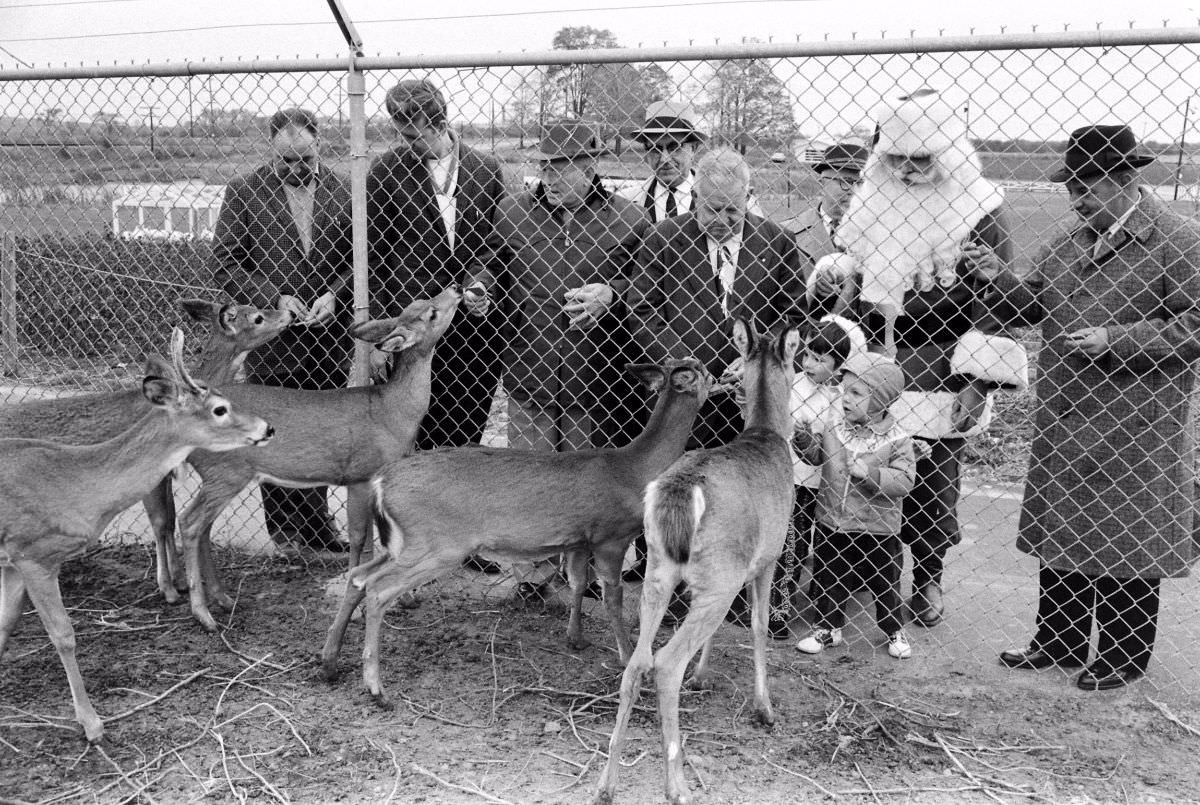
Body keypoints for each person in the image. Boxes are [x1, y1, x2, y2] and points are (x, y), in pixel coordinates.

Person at [975, 124, 1200, 691]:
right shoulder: (1069, 240)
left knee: (1126, 537)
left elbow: (1195, 324)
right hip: (1067, 416)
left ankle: (1125, 655)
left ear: (1125, 179)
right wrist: (996, 276)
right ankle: (1060, 638)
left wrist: (1119, 341)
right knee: (1064, 529)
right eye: (1071, 186)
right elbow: (1031, 304)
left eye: (1086, 186)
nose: (1076, 197)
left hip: (1136, 423)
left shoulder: (1180, 240)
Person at [809, 90, 1017, 628]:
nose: (906, 170)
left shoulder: (981, 209)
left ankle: (926, 578)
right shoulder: (873, 200)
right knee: (856, 470)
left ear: (947, 152)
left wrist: (978, 381)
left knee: (929, 482)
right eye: (896, 158)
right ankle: (858, 575)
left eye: (920, 159)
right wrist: (836, 291)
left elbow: (993, 304)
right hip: (869, 357)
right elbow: (851, 288)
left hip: (938, 361)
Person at [625, 147, 809, 622]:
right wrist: (683, 365)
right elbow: (642, 308)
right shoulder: (665, 238)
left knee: (746, 494)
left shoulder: (777, 242)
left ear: (749, 197)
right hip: (685, 394)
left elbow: (794, 314)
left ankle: (746, 593)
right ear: (695, 196)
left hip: (750, 401)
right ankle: (666, 582)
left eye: (733, 209)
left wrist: (752, 357)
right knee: (675, 481)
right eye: (711, 208)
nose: (722, 219)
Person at [474, 120, 647, 601]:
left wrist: (612, 293)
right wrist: (483, 288)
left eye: (562, 167)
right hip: (529, 370)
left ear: (591, 166)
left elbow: (652, 286)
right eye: (544, 166)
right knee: (531, 480)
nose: (549, 177)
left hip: (593, 380)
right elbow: (488, 262)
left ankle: (584, 574)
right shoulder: (512, 214)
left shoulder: (629, 221)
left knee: (586, 485)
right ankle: (533, 576)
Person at [367, 79, 508, 575]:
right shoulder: (385, 172)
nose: (409, 144)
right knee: (417, 429)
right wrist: (385, 331)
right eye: (402, 134)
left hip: (473, 326)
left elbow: (495, 243)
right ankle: (417, 539)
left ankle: (465, 540)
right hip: (416, 326)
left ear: (440, 123)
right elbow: (376, 255)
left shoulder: (486, 170)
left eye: (416, 134)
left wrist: (480, 283)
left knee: (467, 425)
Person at [213, 107, 352, 553]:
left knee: (321, 431)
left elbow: (360, 259)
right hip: (274, 341)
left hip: (327, 338)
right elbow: (225, 261)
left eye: (305, 159)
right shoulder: (243, 192)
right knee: (273, 432)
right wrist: (274, 298)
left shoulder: (344, 190)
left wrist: (336, 293)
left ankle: (318, 525)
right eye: (286, 160)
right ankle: (285, 531)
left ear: (319, 146)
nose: (296, 168)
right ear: (271, 150)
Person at [792, 352, 917, 659]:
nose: (845, 398)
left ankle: (893, 630)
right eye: (844, 390)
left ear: (881, 400)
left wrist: (873, 474)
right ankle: (828, 628)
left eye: (856, 393)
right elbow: (816, 458)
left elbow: (905, 480)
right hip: (833, 521)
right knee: (829, 578)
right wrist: (805, 442)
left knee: (884, 583)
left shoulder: (897, 438)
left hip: (878, 528)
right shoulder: (835, 428)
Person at [768, 315, 866, 639]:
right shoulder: (791, 383)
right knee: (779, 540)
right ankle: (770, 603)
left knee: (796, 543)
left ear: (838, 366)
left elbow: (834, 446)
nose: (809, 363)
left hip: (811, 482)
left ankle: (784, 604)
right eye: (807, 354)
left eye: (820, 359)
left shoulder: (838, 399)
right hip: (780, 475)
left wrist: (811, 440)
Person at [784, 142, 869, 317]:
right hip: (804, 335)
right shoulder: (786, 232)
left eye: (861, 183)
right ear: (822, 183)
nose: (853, 191)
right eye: (845, 181)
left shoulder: (882, 237)